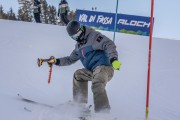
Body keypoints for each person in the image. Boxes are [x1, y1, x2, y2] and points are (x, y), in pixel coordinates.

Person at [47, 20, 122, 113]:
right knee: (78, 75)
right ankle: (79, 105)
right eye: (74, 36)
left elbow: (108, 44)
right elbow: (70, 59)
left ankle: (103, 113)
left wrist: (113, 59)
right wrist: (56, 61)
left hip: (105, 68)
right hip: (93, 71)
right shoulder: (78, 47)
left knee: (97, 83)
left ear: (81, 29)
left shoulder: (93, 36)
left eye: (78, 33)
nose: (78, 37)